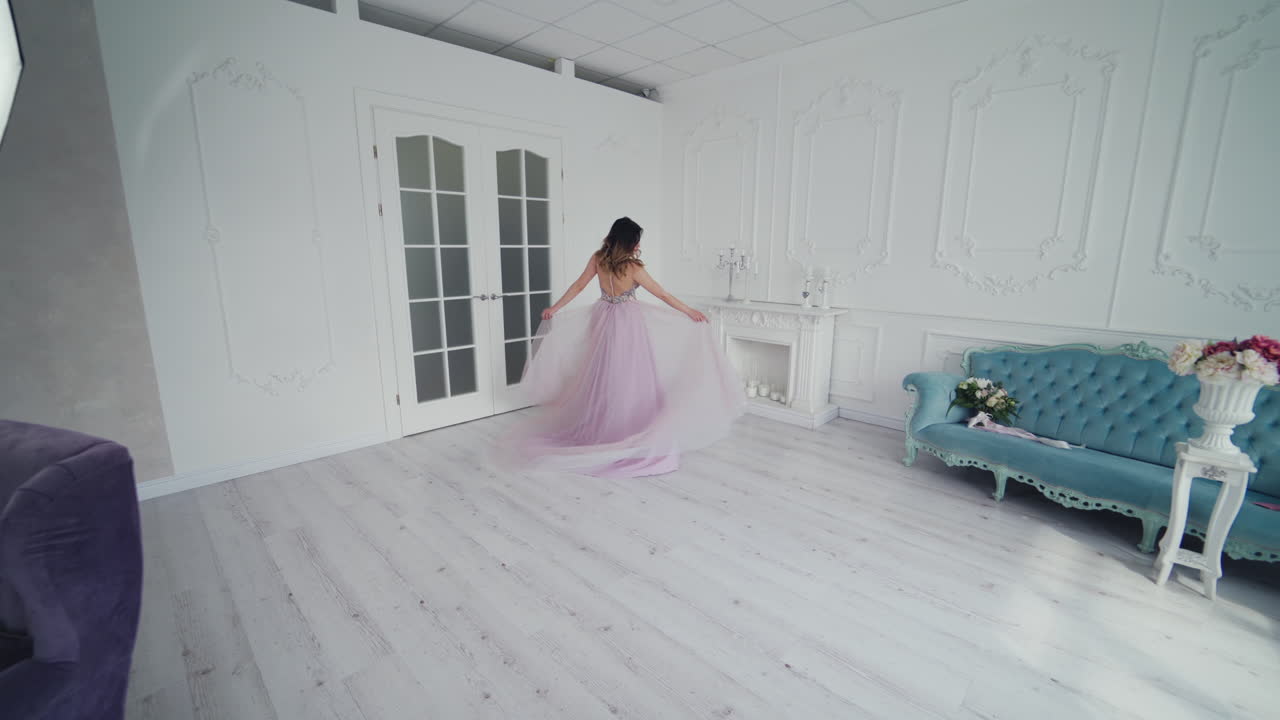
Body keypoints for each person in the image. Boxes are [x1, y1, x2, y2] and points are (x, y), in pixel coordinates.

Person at [509, 217, 744, 477]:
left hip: (603, 318)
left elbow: (578, 286)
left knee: (606, 374)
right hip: (628, 323)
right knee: (633, 375)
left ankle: (604, 427)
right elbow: (662, 294)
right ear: (631, 241)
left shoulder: (598, 258)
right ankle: (629, 429)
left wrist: (555, 308)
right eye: (638, 238)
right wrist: (689, 311)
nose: (640, 243)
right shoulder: (632, 267)